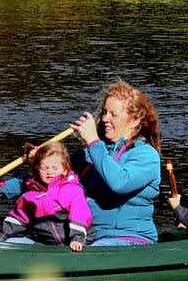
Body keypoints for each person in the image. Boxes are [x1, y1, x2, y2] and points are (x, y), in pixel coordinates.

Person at [69, 80, 163, 246]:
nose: (105, 118)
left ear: (134, 120)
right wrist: (40, 159)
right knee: (15, 241)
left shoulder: (146, 155)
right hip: (88, 236)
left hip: (130, 238)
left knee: (97, 249)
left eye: (113, 114)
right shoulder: (91, 153)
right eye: (104, 112)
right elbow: (55, 177)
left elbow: (119, 183)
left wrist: (93, 141)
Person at [0, 140, 91, 251]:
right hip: (45, 244)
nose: (50, 171)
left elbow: (80, 215)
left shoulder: (72, 190)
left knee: (75, 243)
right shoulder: (31, 194)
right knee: (10, 242)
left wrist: (77, 238)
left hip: (69, 244)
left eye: (55, 167)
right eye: (45, 167)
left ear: (65, 169)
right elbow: (18, 217)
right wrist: (1, 237)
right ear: (37, 169)